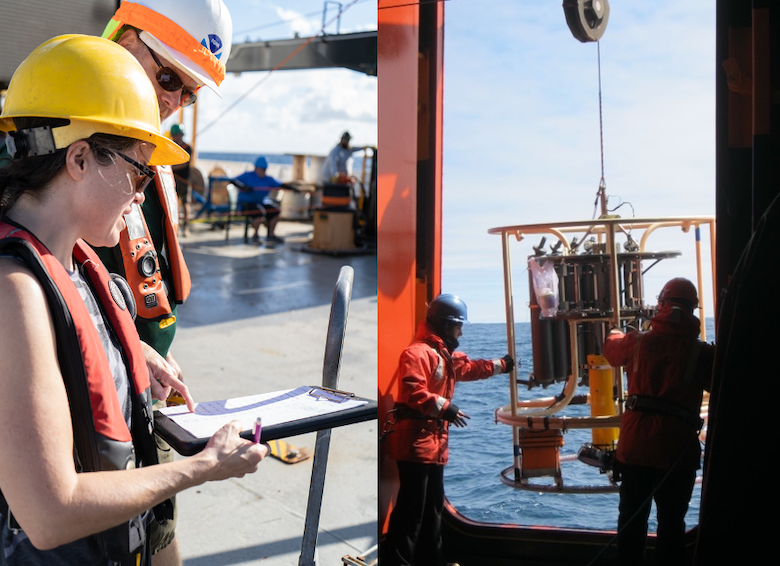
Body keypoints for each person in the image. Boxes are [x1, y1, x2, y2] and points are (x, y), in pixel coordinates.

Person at [0, 34, 269, 566]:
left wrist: (131, 354)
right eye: (138, 170)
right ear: (79, 158)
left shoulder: (72, 261)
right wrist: (205, 466)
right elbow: (49, 512)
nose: (143, 193)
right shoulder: (15, 292)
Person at [95, 2, 234, 561]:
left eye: (190, 91)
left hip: (145, 384)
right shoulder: (50, 146)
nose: (176, 101)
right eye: (169, 76)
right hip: (85, 395)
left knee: (158, 532)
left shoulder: (155, 158)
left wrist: (146, 356)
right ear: (123, 40)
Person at [381, 294, 515, 566]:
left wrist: (502, 365)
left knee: (431, 509)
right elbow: (413, 390)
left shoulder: (440, 354)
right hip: (415, 445)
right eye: (458, 326)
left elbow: (470, 368)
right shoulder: (417, 353)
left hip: (431, 445)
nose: (461, 332)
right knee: (411, 512)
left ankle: (432, 560)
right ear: (444, 324)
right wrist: (446, 408)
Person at [603, 278, 715, 566]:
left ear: (662, 305)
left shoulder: (638, 341)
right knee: (672, 525)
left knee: (631, 520)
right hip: (677, 451)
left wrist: (615, 332)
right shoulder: (702, 353)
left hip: (636, 446)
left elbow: (611, 350)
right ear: (693, 310)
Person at [232, 156, 300, 245]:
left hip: (262, 202)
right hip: (246, 203)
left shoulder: (268, 179)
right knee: (259, 212)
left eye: (264, 169)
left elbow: (280, 184)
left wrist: (293, 188)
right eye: (261, 169)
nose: (263, 171)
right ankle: (255, 235)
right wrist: (243, 187)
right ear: (256, 168)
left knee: (275, 211)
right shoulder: (247, 175)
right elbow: (232, 180)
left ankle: (271, 235)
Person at [169, 123, 192, 237]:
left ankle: (186, 227)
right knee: (174, 204)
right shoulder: (171, 146)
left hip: (184, 180)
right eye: (175, 135)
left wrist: (170, 168)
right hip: (172, 179)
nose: (176, 137)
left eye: (178, 135)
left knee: (185, 203)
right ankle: (175, 228)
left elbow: (185, 164)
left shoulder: (187, 148)